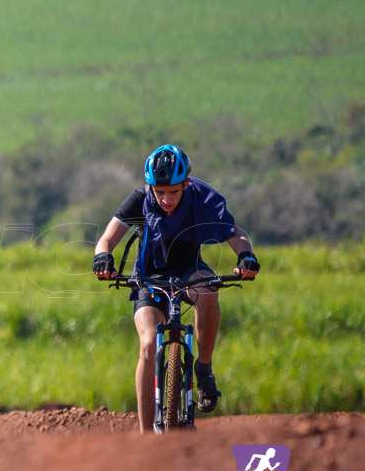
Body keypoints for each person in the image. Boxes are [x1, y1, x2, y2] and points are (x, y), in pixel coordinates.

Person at [91, 145, 260, 433]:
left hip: (188, 271)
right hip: (149, 277)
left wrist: (246, 256)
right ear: (151, 187)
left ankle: (203, 370)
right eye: (160, 192)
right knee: (147, 345)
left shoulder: (201, 198)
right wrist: (102, 258)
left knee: (208, 292)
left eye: (174, 192)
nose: (166, 199)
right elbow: (106, 239)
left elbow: (235, 235)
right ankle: (146, 436)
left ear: (186, 184)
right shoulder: (139, 200)